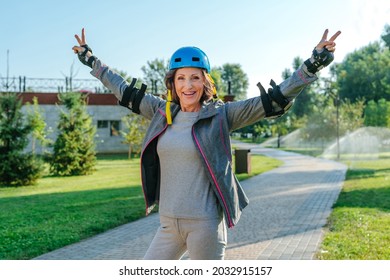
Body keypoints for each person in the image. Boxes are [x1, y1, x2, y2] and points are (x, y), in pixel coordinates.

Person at [72, 28, 341, 260]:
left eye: (195, 77)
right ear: (173, 83)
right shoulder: (161, 112)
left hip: (205, 225)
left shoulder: (221, 115)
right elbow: (124, 90)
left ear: (205, 81)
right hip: (168, 225)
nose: (188, 85)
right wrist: (92, 61)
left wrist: (312, 66)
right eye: (181, 78)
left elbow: (274, 99)